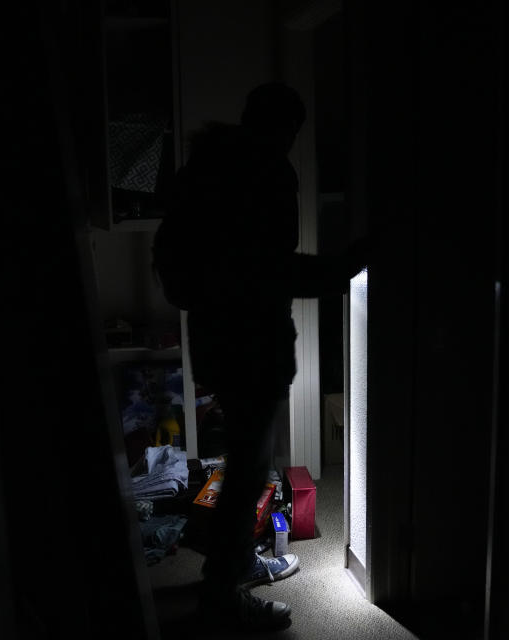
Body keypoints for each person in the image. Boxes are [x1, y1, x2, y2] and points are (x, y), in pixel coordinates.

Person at [152, 82, 368, 632]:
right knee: (247, 471)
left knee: (247, 464)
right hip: (250, 342)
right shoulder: (263, 173)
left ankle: (238, 565)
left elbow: (207, 265)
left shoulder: (204, 168)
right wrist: (341, 269)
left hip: (219, 339)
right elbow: (269, 267)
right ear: (284, 129)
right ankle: (223, 596)